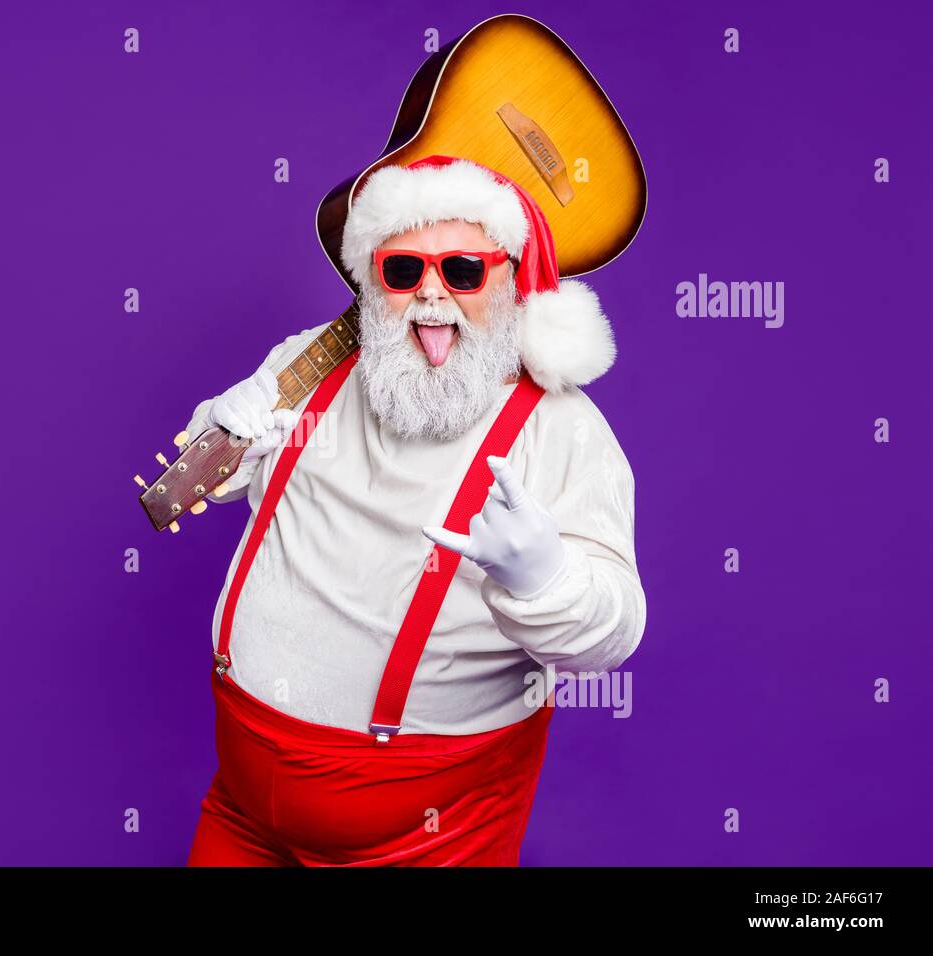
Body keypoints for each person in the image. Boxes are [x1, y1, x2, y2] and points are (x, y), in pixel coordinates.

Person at [182, 155, 646, 866]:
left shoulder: (562, 428)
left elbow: (611, 635)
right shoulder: (313, 360)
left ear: (511, 278)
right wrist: (228, 437)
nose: (432, 296)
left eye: (463, 271)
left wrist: (548, 580)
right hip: (243, 804)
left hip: (432, 833)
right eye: (403, 272)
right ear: (374, 282)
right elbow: (214, 464)